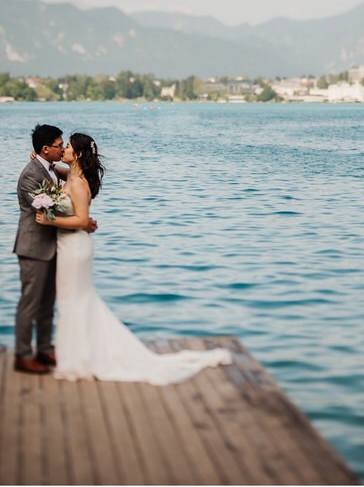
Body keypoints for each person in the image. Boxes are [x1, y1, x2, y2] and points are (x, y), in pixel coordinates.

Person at [35, 132, 232, 384]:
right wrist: (46, 162)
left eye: (69, 147)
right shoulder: (72, 175)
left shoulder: (79, 184)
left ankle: (81, 359)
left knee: (74, 301)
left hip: (75, 248)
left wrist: (49, 218)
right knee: (73, 301)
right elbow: (62, 172)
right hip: (68, 246)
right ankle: (80, 354)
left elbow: (82, 220)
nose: (64, 150)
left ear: (79, 154)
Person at [13, 124, 97, 374]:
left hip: (56, 246)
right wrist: (83, 220)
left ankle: (46, 350)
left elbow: (65, 200)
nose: (62, 149)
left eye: (65, 146)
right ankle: (23, 355)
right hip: (34, 247)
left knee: (48, 302)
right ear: (45, 148)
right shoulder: (31, 175)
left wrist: (82, 219)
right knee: (30, 302)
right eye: (59, 146)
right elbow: (48, 209)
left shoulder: (52, 169)